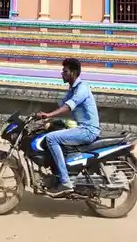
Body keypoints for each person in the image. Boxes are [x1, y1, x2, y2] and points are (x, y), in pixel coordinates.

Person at [38, 58, 100, 195]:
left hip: (88, 130)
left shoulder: (82, 88)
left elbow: (68, 106)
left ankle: (65, 181)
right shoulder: (72, 90)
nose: (62, 73)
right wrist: (43, 115)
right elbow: (61, 106)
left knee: (51, 139)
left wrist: (48, 115)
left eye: (65, 71)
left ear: (73, 73)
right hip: (82, 129)